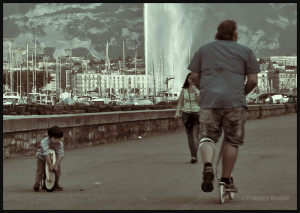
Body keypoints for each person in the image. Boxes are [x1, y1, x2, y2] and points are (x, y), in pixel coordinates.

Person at [188, 20, 260, 193]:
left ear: (217, 33)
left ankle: (207, 166)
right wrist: (242, 93)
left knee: (207, 137)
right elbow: (253, 80)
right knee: (232, 141)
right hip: (234, 102)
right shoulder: (246, 51)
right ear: (235, 33)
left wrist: (205, 90)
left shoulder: (204, 50)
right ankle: (226, 180)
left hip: (209, 101)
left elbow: (194, 76)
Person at [175, 72, 200, 164]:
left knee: (195, 136)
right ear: (187, 80)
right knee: (189, 136)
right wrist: (177, 112)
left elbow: (200, 102)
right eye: (190, 79)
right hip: (186, 113)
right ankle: (192, 155)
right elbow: (180, 102)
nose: (192, 81)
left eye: (193, 79)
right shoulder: (184, 90)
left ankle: (195, 156)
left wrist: (196, 92)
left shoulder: (199, 89)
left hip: (196, 113)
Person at [33, 126, 64, 191]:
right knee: (40, 171)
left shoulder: (60, 144)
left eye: (59, 139)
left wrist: (56, 164)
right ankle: (37, 184)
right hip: (42, 157)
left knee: (57, 171)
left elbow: (60, 154)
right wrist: (50, 164)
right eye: (55, 138)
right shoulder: (44, 142)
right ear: (50, 137)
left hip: (53, 157)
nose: (57, 140)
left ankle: (55, 183)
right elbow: (46, 153)